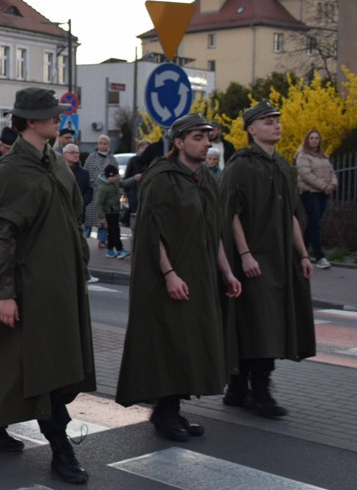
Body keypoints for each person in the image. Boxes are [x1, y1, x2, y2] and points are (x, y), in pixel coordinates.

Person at [0, 88, 95, 485]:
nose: (57, 119)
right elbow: (2, 237)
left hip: (61, 284)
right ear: (29, 122)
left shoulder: (55, 162)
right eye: (50, 115)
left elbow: (72, 215)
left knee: (48, 362)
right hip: (29, 287)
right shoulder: (9, 173)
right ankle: (61, 448)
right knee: (44, 369)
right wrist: (5, 294)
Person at [115, 113, 242, 441]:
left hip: (199, 276)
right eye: (197, 138)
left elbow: (213, 231)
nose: (205, 144)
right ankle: (165, 413)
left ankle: (171, 410)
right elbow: (150, 232)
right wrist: (169, 273)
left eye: (207, 138)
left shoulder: (206, 179)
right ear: (179, 142)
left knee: (189, 344)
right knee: (168, 343)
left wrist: (226, 271)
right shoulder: (161, 178)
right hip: (165, 278)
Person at [221, 100, 316, 418]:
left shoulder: (282, 167)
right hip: (252, 260)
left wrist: (303, 254)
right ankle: (255, 392)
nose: (276, 124)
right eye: (267, 120)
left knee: (265, 324)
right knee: (257, 324)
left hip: (279, 260)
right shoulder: (240, 166)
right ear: (251, 129)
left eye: (277, 119)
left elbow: (290, 215)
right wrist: (245, 254)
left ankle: (241, 389)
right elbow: (230, 215)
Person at [295, 130, 338, 270]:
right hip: (309, 192)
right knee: (315, 222)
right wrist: (323, 186)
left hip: (323, 193)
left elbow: (332, 172)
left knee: (314, 223)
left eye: (316, 138)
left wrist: (332, 184)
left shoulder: (323, 156)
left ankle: (300, 253)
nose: (314, 140)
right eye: (311, 138)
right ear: (307, 140)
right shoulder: (303, 156)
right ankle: (320, 257)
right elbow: (305, 174)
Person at [63, 143, 97, 283]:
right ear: (64, 154)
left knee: (80, 243)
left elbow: (89, 191)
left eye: (77, 152)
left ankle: (83, 270)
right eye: (72, 152)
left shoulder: (83, 173)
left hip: (77, 214)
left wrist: (81, 203)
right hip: (63, 213)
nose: (76, 155)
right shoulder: (60, 171)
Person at [83, 135, 117, 244]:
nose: (102, 146)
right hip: (93, 190)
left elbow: (116, 177)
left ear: (108, 145)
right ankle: (84, 239)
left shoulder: (112, 159)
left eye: (104, 143)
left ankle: (102, 239)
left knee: (103, 217)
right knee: (89, 218)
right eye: (100, 143)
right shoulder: (91, 157)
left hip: (106, 192)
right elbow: (85, 172)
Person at [95, 165, 131, 259]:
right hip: (108, 213)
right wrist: (102, 217)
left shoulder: (114, 182)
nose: (116, 178)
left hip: (114, 211)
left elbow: (123, 183)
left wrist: (134, 179)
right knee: (115, 232)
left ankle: (110, 250)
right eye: (114, 176)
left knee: (111, 232)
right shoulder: (103, 188)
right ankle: (120, 250)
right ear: (109, 176)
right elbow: (98, 203)